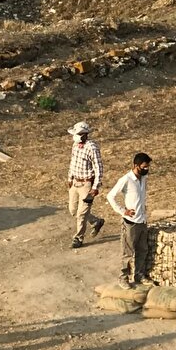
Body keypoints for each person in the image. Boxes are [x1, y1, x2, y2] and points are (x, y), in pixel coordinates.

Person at [106, 152, 151, 289]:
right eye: (144, 167)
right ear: (135, 165)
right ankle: (123, 277)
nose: (146, 169)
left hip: (142, 220)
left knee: (142, 249)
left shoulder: (143, 178)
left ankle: (139, 275)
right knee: (128, 252)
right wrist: (123, 211)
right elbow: (110, 196)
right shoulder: (126, 180)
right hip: (130, 222)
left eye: (148, 167)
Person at [66, 121, 106, 249]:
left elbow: (98, 168)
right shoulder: (75, 145)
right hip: (75, 182)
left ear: (84, 134)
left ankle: (78, 238)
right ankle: (96, 221)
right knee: (73, 210)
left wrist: (95, 187)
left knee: (81, 214)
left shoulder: (92, 147)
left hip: (86, 184)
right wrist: (70, 177)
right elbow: (73, 162)